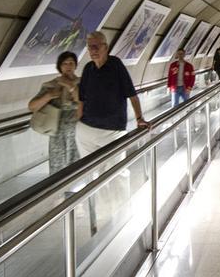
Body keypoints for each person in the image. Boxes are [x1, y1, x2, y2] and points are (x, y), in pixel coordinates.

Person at [76, 31, 150, 159]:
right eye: (90, 47)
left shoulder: (115, 65)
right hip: (86, 129)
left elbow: (132, 94)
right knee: (89, 173)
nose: (93, 50)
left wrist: (139, 118)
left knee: (116, 174)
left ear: (106, 47)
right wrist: (78, 121)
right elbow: (81, 98)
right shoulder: (88, 68)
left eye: (96, 46)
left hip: (112, 131)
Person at [28, 51, 81, 173]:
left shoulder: (82, 83)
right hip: (57, 132)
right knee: (58, 165)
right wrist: (49, 95)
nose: (68, 66)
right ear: (59, 66)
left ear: (75, 65)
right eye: (65, 63)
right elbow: (32, 106)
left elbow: (84, 101)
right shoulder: (51, 85)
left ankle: (78, 191)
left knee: (78, 163)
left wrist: (70, 86)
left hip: (78, 130)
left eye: (71, 63)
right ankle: (59, 191)